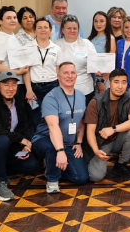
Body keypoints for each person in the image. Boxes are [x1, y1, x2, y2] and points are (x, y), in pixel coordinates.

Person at [0, 72, 41, 201]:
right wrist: (21, 139)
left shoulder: (18, 100)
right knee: (3, 139)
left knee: (32, 165)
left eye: (14, 85)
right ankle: (0, 182)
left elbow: (24, 126)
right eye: (6, 85)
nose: (10, 88)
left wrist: (24, 145)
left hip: (11, 147)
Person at [32, 62, 88, 193]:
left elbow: (81, 122)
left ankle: (52, 164)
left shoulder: (81, 96)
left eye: (72, 73)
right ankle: (52, 180)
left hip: (68, 143)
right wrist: (60, 151)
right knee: (52, 147)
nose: (69, 76)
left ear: (76, 75)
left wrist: (78, 142)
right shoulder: (51, 97)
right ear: (58, 77)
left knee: (81, 178)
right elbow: (53, 127)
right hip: (44, 139)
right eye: (65, 73)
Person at [85, 69, 130, 181]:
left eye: (123, 82)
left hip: (118, 138)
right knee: (96, 177)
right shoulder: (96, 101)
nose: (120, 86)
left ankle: (120, 164)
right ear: (109, 84)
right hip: (101, 142)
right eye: (116, 82)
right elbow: (90, 131)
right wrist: (96, 150)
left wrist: (113, 129)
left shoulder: (129, 98)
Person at [56, 14, 103, 104]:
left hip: (85, 89)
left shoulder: (86, 44)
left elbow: (95, 63)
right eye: (69, 28)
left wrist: (96, 70)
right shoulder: (56, 45)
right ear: (62, 30)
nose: (72, 31)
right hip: (63, 90)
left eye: (75, 28)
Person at [24, 17, 62, 127]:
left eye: (45, 27)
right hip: (34, 89)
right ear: (35, 30)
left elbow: (58, 70)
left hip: (52, 87)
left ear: (50, 30)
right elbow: (26, 70)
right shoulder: (27, 47)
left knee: (51, 118)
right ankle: (35, 138)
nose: (43, 30)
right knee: (34, 118)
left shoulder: (56, 48)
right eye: (39, 27)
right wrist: (29, 90)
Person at [0, 6, 29, 97]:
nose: (13, 20)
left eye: (14, 18)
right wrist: (18, 72)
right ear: (0, 21)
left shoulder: (11, 35)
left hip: (15, 82)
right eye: (8, 18)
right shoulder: (0, 39)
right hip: (4, 84)